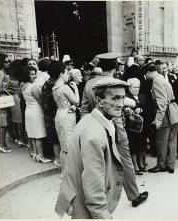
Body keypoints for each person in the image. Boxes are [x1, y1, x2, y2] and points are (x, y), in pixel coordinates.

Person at [80, 52, 148, 208]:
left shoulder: (89, 84)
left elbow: (83, 109)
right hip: (116, 127)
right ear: (116, 67)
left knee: (98, 163)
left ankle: (97, 199)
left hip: (96, 127)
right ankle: (134, 195)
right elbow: (126, 103)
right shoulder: (116, 82)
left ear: (99, 66)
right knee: (125, 160)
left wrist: (89, 125)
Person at [55, 78, 129, 219]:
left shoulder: (89, 119)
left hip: (79, 198)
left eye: (123, 98)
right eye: (115, 98)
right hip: (85, 205)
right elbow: (93, 187)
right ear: (99, 101)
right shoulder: (94, 135)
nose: (121, 104)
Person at [145, 62, 178, 174]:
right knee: (172, 140)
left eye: (146, 73)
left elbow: (161, 101)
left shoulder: (156, 80)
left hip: (165, 113)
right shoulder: (162, 78)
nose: (146, 76)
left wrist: (158, 119)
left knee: (161, 141)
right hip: (174, 110)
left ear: (149, 72)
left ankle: (161, 165)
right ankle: (171, 165)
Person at [52, 62, 80, 169]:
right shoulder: (64, 87)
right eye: (66, 72)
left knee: (63, 146)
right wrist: (76, 89)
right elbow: (76, 102)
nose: (68, 75)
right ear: (61, 73)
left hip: (59, 113)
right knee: (69, 146)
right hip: (67, 116)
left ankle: (64, 172)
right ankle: (70, 172)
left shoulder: (54, 87)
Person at [21, 66, 51, 163]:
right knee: (39, 135)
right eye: (32, 74)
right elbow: (41, 101)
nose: (35, 76)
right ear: (27, 75)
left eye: (35, 74)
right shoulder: (33, 87)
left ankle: (35, 154)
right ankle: (41, 156)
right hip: (36, 111)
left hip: (28, 110)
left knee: (33, 134)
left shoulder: (23, 86)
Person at [125, 78, 148, 174]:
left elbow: (147, 107)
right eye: (134, 87)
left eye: (138, 87)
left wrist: (141, 109)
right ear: (129, 88)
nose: (137, 89)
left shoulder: (142, 96)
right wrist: (131, 110)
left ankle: (142, 163)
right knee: (133, 145)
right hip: (132, 126)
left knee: (142, 144)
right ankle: (135, 165)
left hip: (142, 125)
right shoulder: (126, 97)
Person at [41, 62, 61, 167]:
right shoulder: (54, 83)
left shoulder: (47, 82)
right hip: (54, 112)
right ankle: (58, 158)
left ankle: (57, 157)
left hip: (49, 112)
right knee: (56, 136)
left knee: (54, 136)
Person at [0, 53, 12, 153]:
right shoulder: (1, 73)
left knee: (4, 122)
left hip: (1, 99)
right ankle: (0, 144)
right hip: (3, 99)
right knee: (3, 122)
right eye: (6, 61)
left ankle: (3, 143)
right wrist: (8, 91)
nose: (8, 63)